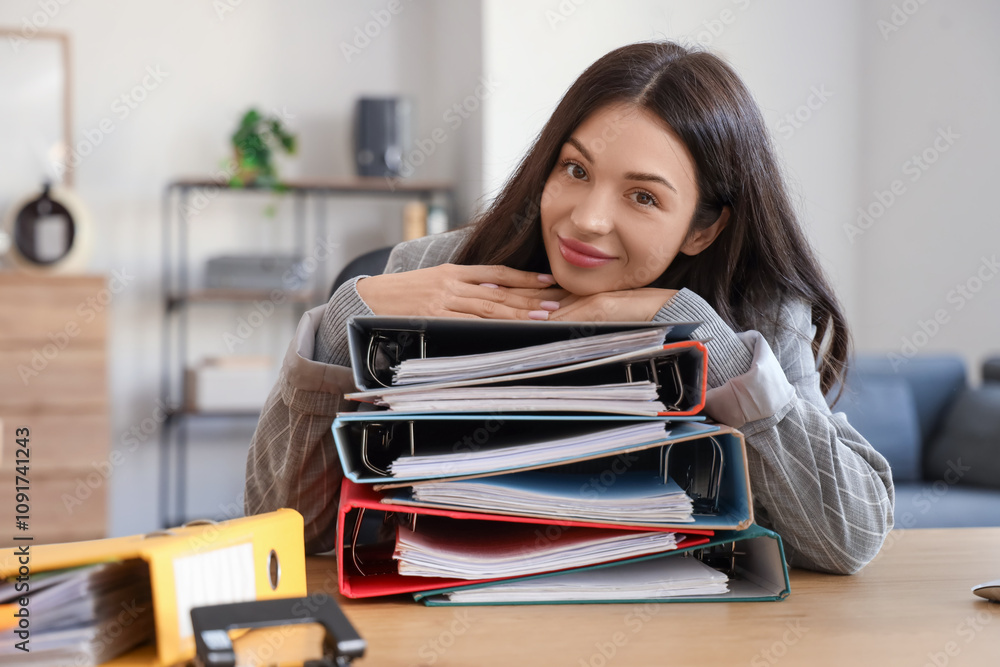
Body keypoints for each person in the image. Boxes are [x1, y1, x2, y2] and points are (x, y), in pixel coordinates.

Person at [244, 40, 894, 575]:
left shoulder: (756, 309)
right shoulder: (431, 271)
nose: (586, 220)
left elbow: (849, 533)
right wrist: (340, 322)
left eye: (643, 197)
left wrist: (706, 339)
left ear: (703, 229)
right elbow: (287, 531)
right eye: (576, 171)